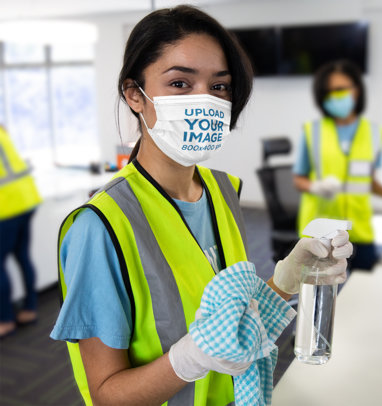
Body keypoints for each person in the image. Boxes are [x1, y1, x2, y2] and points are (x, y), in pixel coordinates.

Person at [50, 6, 352, 406]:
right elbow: (107, 395)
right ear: (134, 95)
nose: (205, 101)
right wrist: (188, 359)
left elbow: (233, 322)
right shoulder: (100, 227)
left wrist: (285, 281)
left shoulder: (223, 189)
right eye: (179, 83)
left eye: (220, 86)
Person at [293, 59, 382, 271]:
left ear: (357, 90)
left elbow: (369, 182)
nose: (335, 96)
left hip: (359, 228)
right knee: (318, 289)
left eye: (341, 89)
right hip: (321, 229)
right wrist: (315, 187)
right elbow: (299, 179)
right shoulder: (312, 131)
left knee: (364, 290)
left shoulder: (374, 133)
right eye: (328, 92)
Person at [0, 125, 42, 338]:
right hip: (26, 198)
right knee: (22, 256)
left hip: (6, 207)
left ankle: (5, 320)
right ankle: (29, 309)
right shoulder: (2, 131)